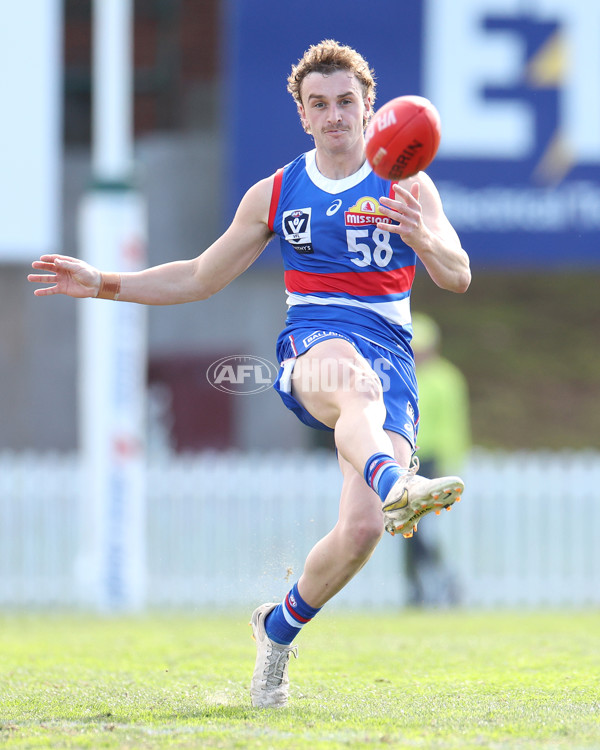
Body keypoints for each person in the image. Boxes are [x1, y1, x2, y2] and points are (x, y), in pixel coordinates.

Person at [28, 40, 471, 709]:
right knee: (356, 388)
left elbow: (458, 274)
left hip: (392, 354)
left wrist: (425, 237)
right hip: (314, 345)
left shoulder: (408, 183)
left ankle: (278, 626)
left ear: (370, 107)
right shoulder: (278, 192)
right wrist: (101, 282)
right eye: (318, 105)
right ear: (301, 113)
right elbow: (199, 277)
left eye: (346, 102)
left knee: (360, 533)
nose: (334, 117)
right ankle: (397, 482)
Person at [404, 312, 471, 606]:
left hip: (431, 461)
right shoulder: (403, 375)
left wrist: (450, 460)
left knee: (426, 530)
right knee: (406, 528)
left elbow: (454, 423)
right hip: (406, 460)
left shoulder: (446, 378)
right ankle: (417, 587)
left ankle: (441, 580)